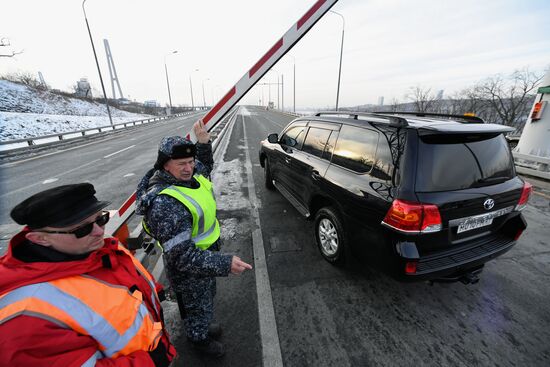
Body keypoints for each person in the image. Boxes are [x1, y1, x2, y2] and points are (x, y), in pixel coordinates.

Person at [0, 183, 176, 367]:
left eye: (101, 219)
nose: (100, 231)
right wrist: (152, 361)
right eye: (81, 229)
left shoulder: (95, 246)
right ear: (39, 239)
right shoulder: (26, 317)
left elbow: (126, 276)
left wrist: (154, 293)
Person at [136, 120, 252, 358]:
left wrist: (203, 144)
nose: (189, 168)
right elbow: (182, 257)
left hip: (205, 257)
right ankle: (198, 339)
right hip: (189, 268)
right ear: (165, 165)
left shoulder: (188, 176)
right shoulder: (164, 203)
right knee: (194, 305)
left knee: (206, 299)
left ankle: (203, 325)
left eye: (190, 162)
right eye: (182, 164)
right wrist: (225, 263)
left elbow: (203, 167)